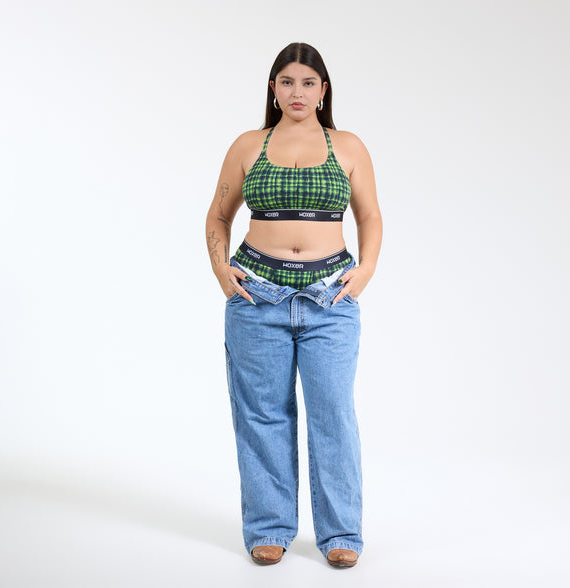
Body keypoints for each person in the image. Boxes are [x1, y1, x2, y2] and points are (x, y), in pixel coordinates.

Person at [205, 42, 382, 568]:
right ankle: (269, 527)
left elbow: (370, 216)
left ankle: (341, 533)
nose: (297, 92)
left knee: (333, 414)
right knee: (262, 416)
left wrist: (366, 269)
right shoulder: (248, 145)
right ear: (273, 88)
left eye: (307, 83)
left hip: (330, 296)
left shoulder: (348, 146)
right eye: (287, 82)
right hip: (257, 293)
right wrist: (220, 269)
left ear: (323, 90)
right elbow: (218, 216)